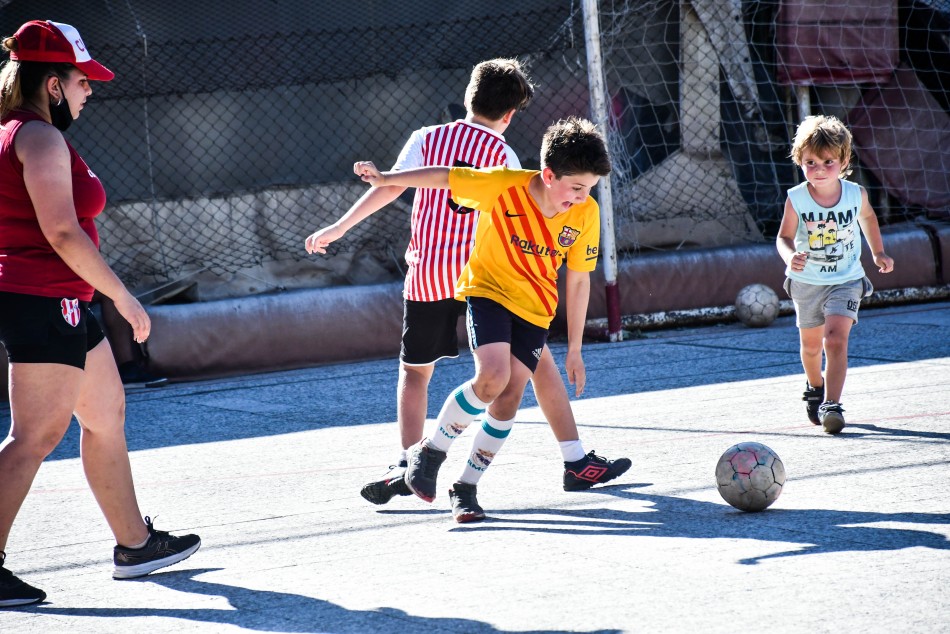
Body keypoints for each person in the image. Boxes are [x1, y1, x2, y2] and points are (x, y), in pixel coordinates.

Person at [305, 60, 630, 508]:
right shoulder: (507, 163)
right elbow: (510, 205)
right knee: (531, 370)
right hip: (491, 276)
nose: (580, 196)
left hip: (432, 272)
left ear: (467, 97)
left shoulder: (427, 138)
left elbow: (396, 189)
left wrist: (340, 226)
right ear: (512, 115)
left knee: (420, 374)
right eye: (575, 188)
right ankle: (564, 457)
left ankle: (411, 463)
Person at [0, 20, 200, 607]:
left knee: (106, 413)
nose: (91, 90)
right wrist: (122, 294)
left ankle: (135, 545)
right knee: (35, 436)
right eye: (83, 80)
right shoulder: (37, 137)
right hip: (44, 297)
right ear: (53, 84)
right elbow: (61, 230)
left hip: (61, 296)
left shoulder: (25, 132)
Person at [776, 115, 894, 435]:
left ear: (843, 161)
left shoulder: (856, 195)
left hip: (846, 279)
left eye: (828, 161)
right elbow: (783, 237)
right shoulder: (796, 198)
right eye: (810, 161)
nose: (819, 169)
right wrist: (791, 257)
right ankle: (815, 387)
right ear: (799, 160)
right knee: (812, 346)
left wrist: (878, 252)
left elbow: (868, 219)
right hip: (808, 283)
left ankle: (832, 403)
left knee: (835, 340)